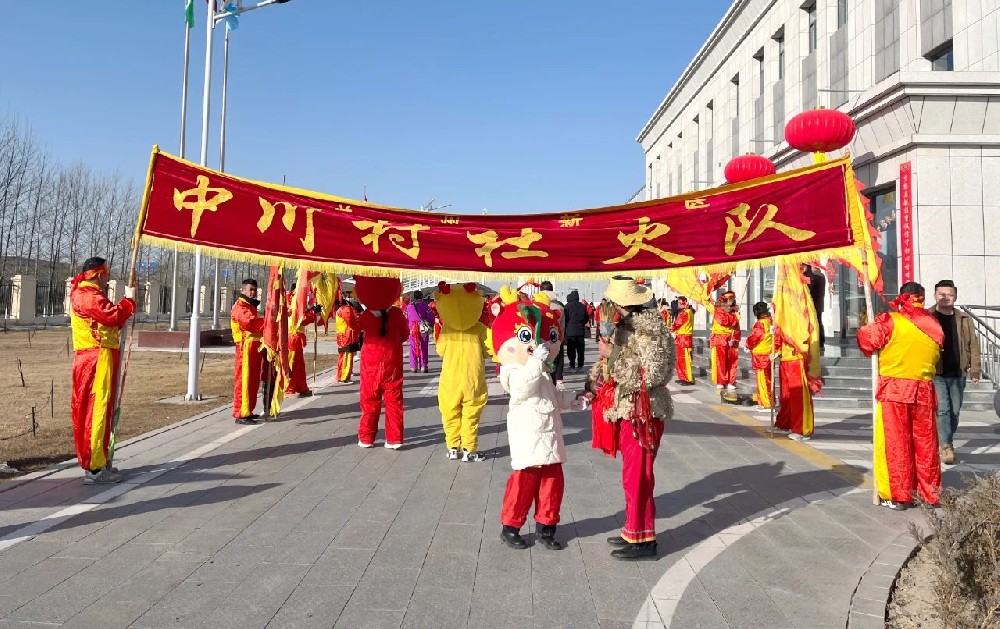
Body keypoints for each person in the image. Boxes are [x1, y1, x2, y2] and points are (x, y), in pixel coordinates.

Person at [491, 287, 582, 550]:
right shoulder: (511, 369)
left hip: (550, 436)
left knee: (552, 484)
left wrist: (575, 398)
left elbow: (551, 396)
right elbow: (521, 388)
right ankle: (510, 526)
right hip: (528, 435)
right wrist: (534, 362)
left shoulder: (542, 372)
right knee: (523, 483)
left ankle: (547, 527)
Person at [601, 276, 674, 560]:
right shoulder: (627, 327)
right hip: (629, 409)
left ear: (620, 304)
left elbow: (652, 374)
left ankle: (645, 540)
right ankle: (633, 529)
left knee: (639, 477)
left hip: (644, 411)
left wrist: (614, 354)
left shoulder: (650, 332)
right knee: (631, 476)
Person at [857, 281, 943, 509]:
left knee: (896, 444)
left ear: (902, 297)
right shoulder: (934, 324)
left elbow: (867, 341)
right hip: (924, 389)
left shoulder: (890, 321)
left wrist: (869, 325)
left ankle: (899, 495)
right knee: (926, 445)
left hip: (895, 390)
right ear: (922, 298)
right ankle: (930, 494)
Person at [69, 257, 135, 484]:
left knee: (103, 409)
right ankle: (95, 468)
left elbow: (109, 323)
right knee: (96, 410)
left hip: (99, 357)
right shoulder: (88, 295)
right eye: (106, 274)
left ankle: (100, 459)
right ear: (98, 274)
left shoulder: (89, 293)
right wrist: (128, 301)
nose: (108, 279)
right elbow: (112, 316)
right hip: (95, 359)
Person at [928, 279, 981, 465]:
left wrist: (975, 369)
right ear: (935, 295)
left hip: (958, 371)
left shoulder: (964, 319)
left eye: (949, 295)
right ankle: (946, 446)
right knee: (943, 409)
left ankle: (945, 439)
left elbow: (973, 345)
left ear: (955, 297)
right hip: (937, 372)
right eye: (941, 294)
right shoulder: (928, 317)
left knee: (955, 412)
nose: (945, 298)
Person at [434, 282, 489, 462]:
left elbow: (440, 351)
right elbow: (488, 350)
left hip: (450, 378)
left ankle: (452, 447)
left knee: (450, 412)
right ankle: (469, 450)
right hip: (473, 377)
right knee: (471, 414)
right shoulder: (480, 328)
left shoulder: (446, 330)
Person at [354, 276, 409, 449]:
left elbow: (356, 330)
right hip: (392, 362)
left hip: (370, 363)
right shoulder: (397, 314)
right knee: (394, 401)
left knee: (369, 400)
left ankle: (366, 437)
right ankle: (395, 438)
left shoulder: (365, 316)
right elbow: (405, 335)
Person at [231, 278, 266, 424]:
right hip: (245, 349)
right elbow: (249, 323)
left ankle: (248, 410)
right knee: (244, 380)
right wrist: (267, 320)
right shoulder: (240, 306)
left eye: (255, 290)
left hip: (254, 348)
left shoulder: (250, 306)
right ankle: (240, 412)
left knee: (253, 380)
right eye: (250, 289)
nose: (253, 292)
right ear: (243, 290)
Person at [285, 283, 322, 398]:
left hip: (296, 338)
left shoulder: (296, 301)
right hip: (291, 337)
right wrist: (312, 313)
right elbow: (301, 319)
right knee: (292, 364)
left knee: (300, 365)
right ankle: (289, 388)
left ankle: (301, 387)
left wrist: (312, 310)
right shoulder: (292, 302)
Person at [745, 302, 774, 411]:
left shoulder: (760, 324)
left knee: (762, 381)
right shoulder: (770, 321)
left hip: (761, 355)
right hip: (768, 353)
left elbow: (755, 337)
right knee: (768, 379)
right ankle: (770, 401)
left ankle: (766, 403)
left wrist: (748, 345)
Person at [710, 291, 741, 391]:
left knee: (732, 361)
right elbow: (723, 321)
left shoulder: (734, 311)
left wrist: (736, 337)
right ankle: (721, 381)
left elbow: (736, 327)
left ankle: (731, 381)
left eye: (733, 299)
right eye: (730, 299)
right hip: (720, 338)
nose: (732, 301)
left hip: (731, 338)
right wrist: (735, 318)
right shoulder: (718, 310)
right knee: (721, 361)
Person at [538, 281, 567, 388]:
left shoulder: (536, 304)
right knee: (556, 359)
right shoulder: (559, 306)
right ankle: (556, 380)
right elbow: (562, 325)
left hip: (540, 339)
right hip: (556, 337)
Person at [405, 290, 434, 373]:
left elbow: (406, 318)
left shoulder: (409, 307)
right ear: (421, 297)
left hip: (412, 329)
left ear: (414, 297)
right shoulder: (425, 306)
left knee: (413, 347)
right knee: (423, 347)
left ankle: (413, 367)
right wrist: (431, 324)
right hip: (422, 328)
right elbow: (431, 316)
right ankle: (423, 366)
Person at [670, 296, 696, 385]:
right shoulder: (688, 312)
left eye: (678, 303)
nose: (677, 304)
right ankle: (682, 377)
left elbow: (676, 324)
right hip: (682, 338)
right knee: (680, 359)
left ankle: (688, 379)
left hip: (684, 339)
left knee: (685, 360)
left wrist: (671, 328)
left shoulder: (685, 313)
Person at [335, 298, 361, 384]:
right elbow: (351, 322)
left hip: (343, 336)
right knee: (347, 357)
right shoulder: (344, 310)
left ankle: (342, 376)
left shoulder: (339, 310)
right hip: (347, 336)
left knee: (343, 357)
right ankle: (344, 377)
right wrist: (358, 325)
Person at [562, 289, 589, 372]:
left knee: (571, 350)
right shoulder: (582, 306)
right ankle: (580, 366)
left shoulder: (567, 306)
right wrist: (581, 324)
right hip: (580, 331)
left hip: (570, 331)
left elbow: (565, 319)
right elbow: (586, 318)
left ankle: (572, 365)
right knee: (580, 350)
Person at [802, 264, 826, 350]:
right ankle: (821, 342)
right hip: (818, 303)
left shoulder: (817, 276)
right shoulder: (820, 275)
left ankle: (819, 342)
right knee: (818, 321)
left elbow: (810, 287)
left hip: (815, 303)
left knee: (817, 322)